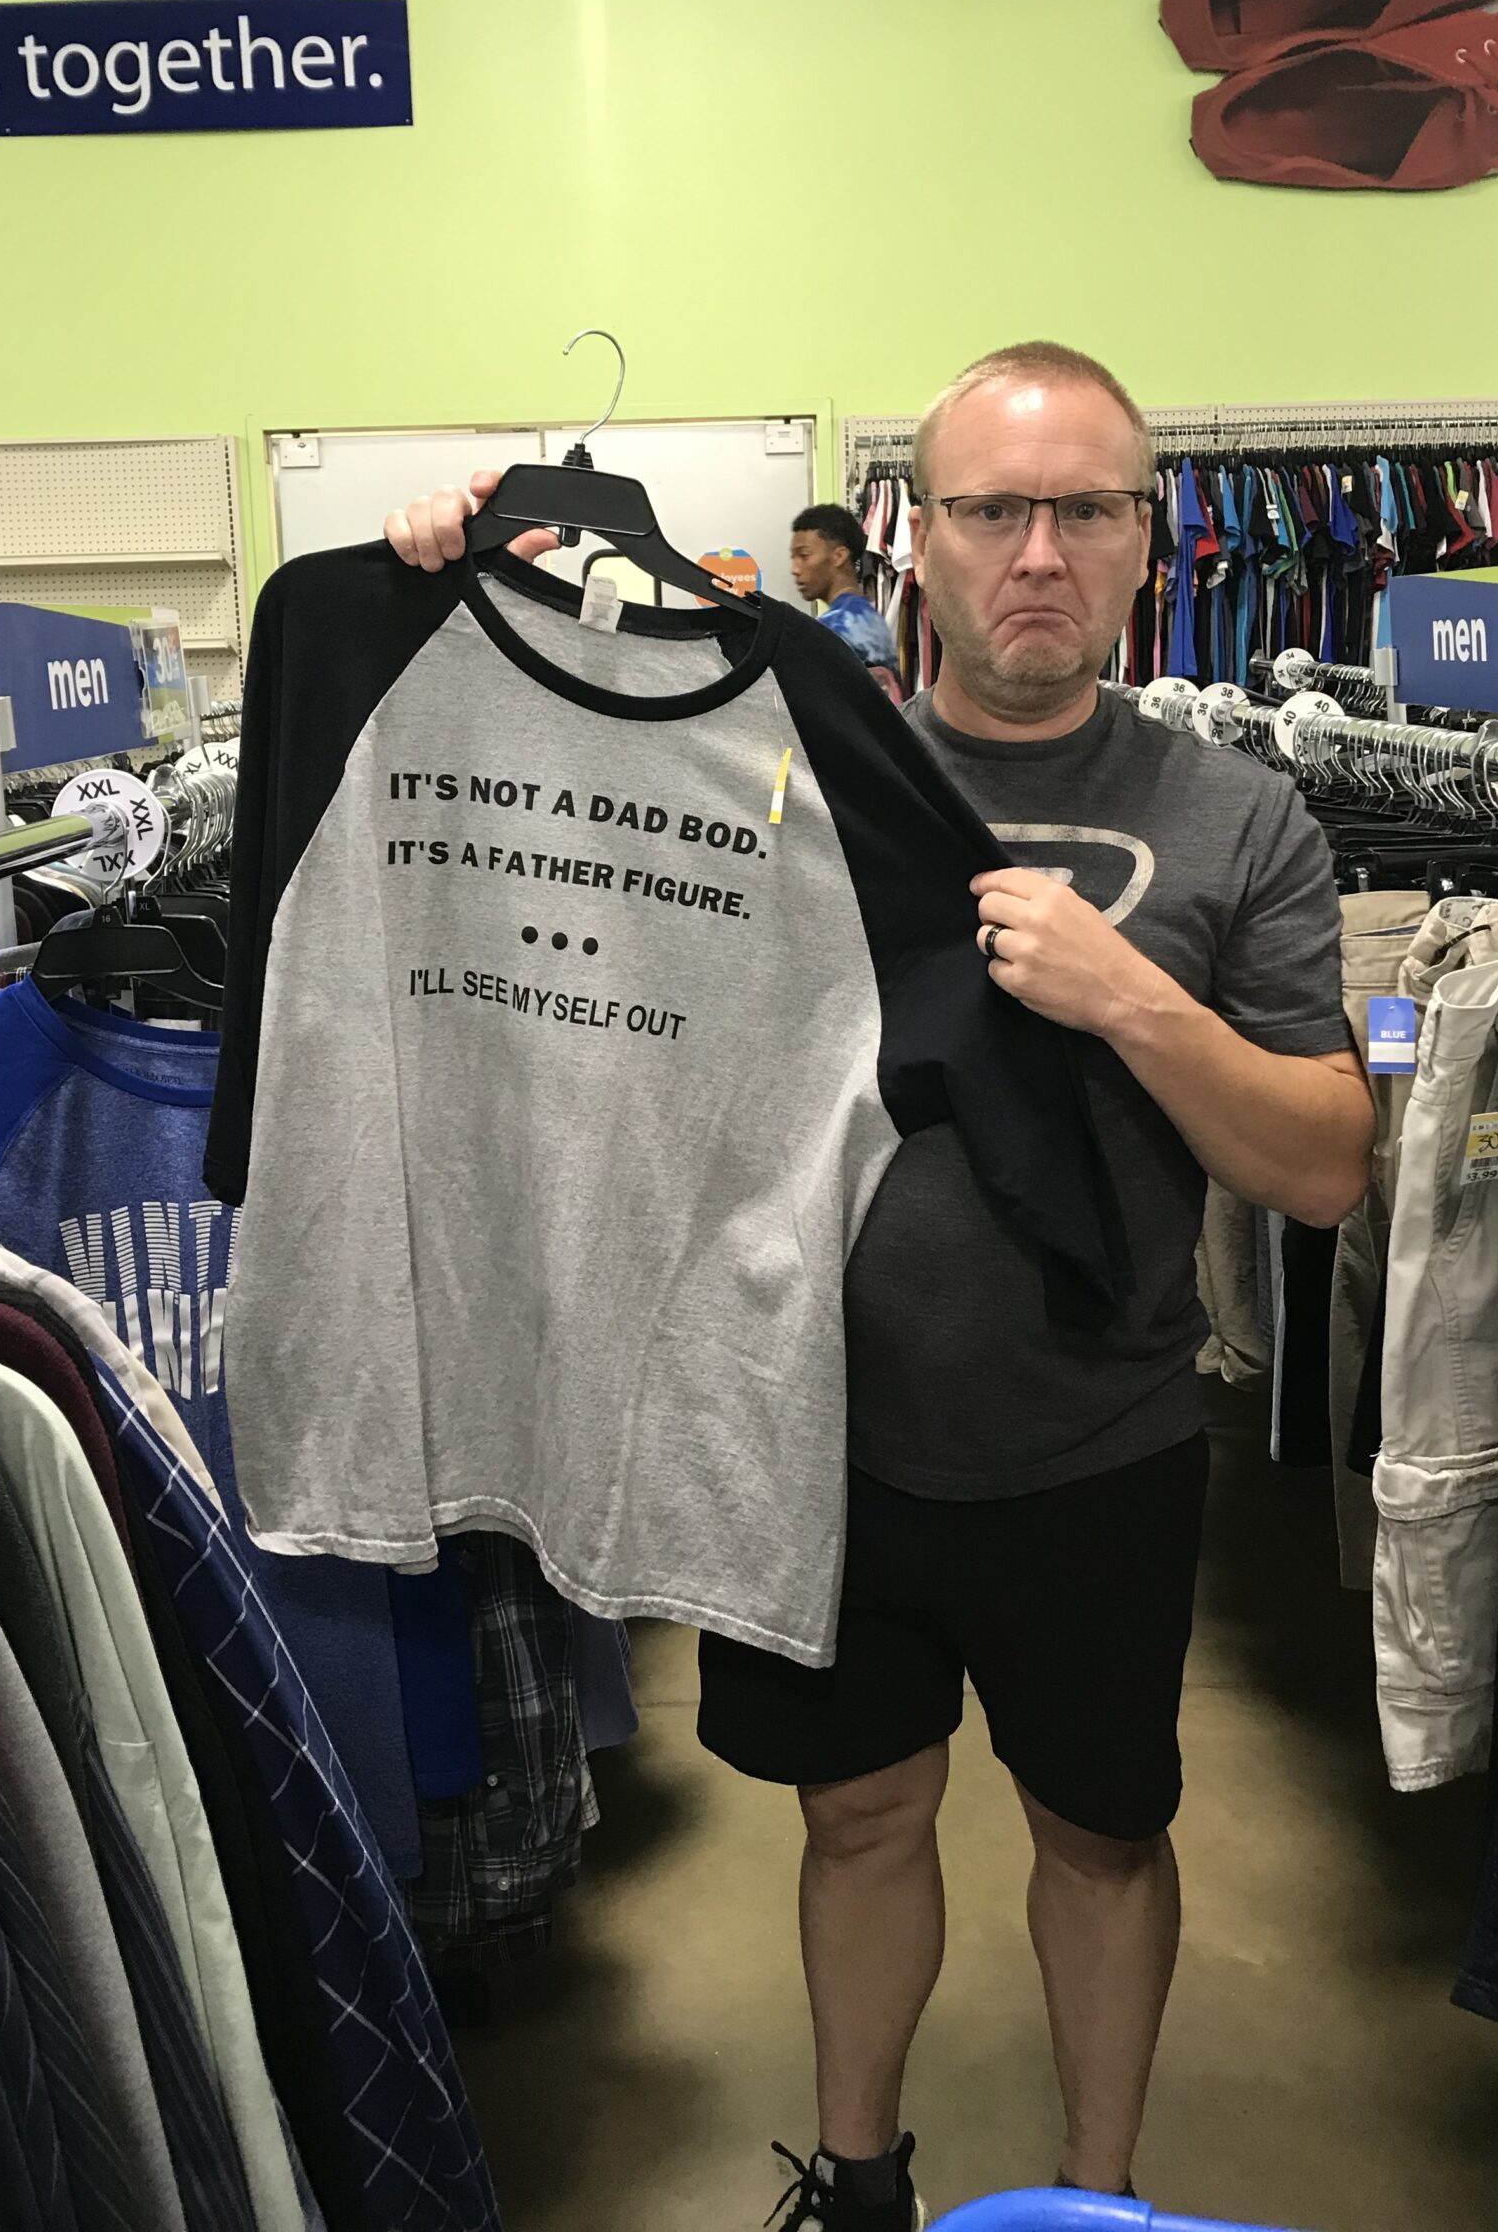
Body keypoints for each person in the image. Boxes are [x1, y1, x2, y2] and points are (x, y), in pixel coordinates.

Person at [383, 342, 1374, 2231]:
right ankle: (859, 2182)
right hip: (803, 1438)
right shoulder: (766, 770)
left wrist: (1130, 996)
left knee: (1104, 1830)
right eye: (996, 509)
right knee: (859, 1815)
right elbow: (518, 804)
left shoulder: (1242, 821)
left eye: (1087, 509)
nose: (1040, 555)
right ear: (917, 543)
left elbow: (1320, 1162)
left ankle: (1100, 2201)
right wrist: (457, 559)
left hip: (1099, 1437)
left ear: (1150, 544)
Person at [790, 503, 901, 688]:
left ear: (839, 556)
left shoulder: (831, 629)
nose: (795, 569)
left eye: (804, 555)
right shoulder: (871, 619)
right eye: (793, 558)